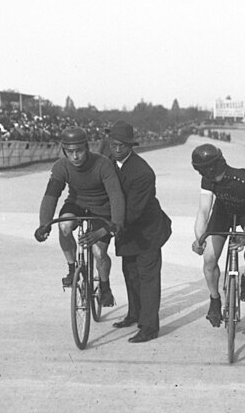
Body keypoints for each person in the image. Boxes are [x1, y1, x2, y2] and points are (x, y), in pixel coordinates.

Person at [34, 126, 125, 309]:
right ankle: (71, 267)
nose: (75, 157)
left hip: (102, 207)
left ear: (87, 148)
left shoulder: (103, 163)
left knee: (99, 253)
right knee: (64, 226)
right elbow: (51, 196)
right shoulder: (61, 166)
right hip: (77, 203)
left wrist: (113, 224)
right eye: (70, 152)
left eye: (79, 151)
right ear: (64, 151)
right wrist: (44, 224)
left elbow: (116, 195)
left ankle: (105, 287)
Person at [190, 143, 245, 328]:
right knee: (210, 258)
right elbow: (204, 210)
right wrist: (200, 238)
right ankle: (215, 299)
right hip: (223, 212)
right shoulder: (208, 179)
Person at [108, 121, 172, 343]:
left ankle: (149, 327)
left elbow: (134, 211)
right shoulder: (108, 163)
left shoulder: (143, 171)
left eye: (122, 146)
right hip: (126, 230)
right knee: (130, 273)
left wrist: (107, 228)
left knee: (148, 278)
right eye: (114, 145)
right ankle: (134, 314)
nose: (117, 149)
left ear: (131, 146)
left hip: (147, 231)